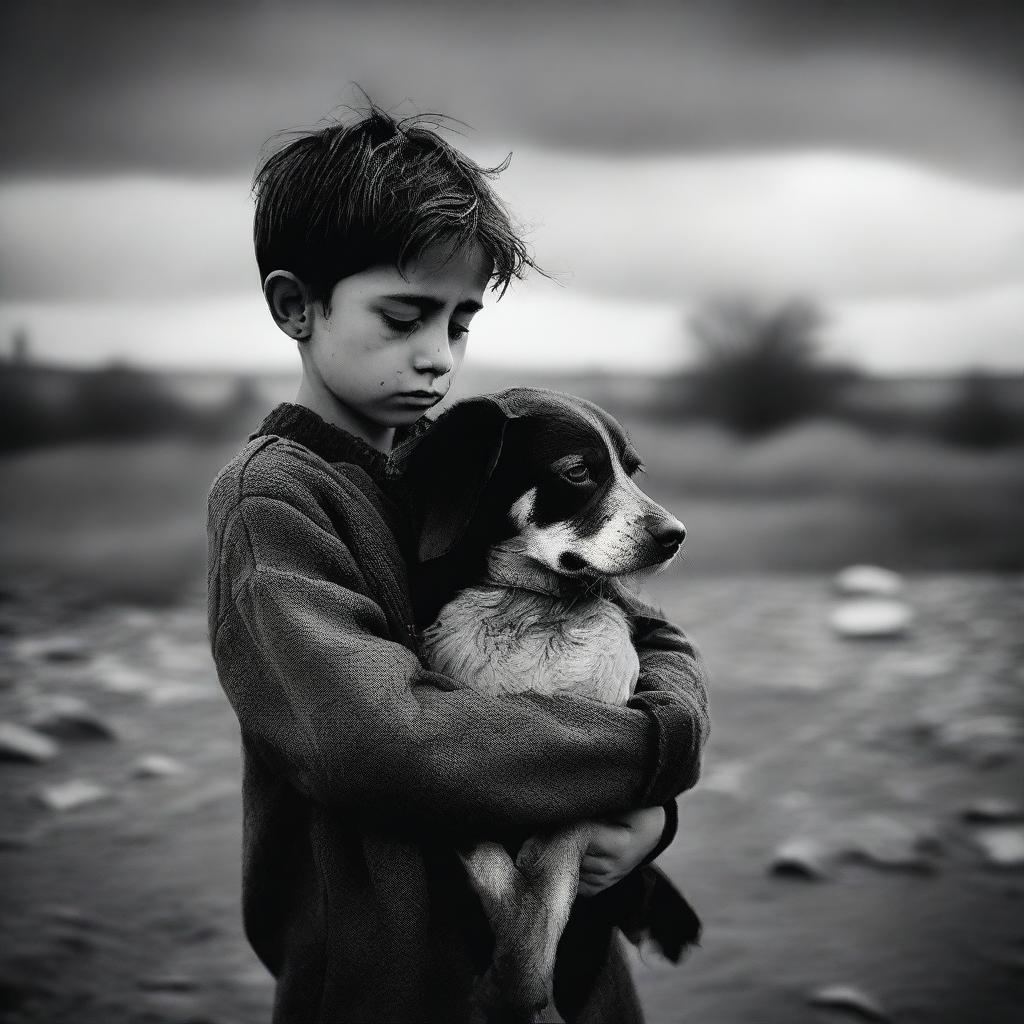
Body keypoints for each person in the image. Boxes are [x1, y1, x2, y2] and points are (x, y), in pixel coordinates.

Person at [206, 104, 710, 1024]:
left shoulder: (464, 463)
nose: (438, 356)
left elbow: (650, 633)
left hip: (572, 964)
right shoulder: (272, 504)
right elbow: (378, 742)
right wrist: (643, 759)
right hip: (392, 979)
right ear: (294, 307)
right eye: (403, 317)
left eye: (460, 321)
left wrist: (651, 812)